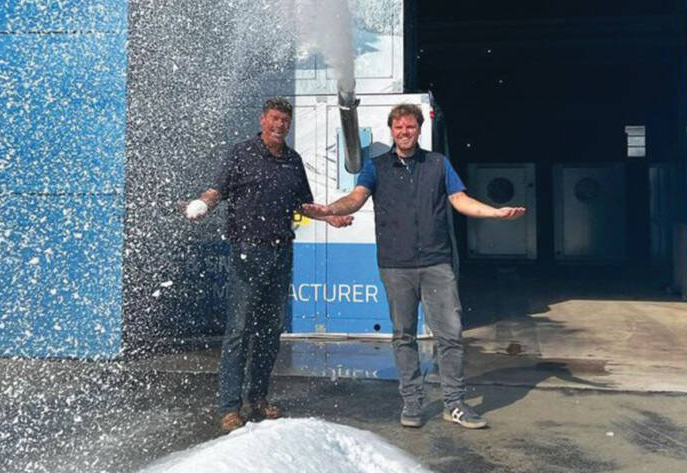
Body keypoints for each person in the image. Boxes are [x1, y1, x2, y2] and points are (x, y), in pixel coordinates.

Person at [303, 103, 525, 429]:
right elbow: (356, 198)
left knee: (450, 335)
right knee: (403, 336)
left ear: (419, 129)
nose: (404, 132)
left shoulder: (438, 164)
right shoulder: (376, 167)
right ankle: (412, 404)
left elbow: (460, 200)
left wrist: (494, 212)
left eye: (410, 127)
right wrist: (328, 210)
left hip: (437, 262)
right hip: (396, 265)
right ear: (391, 131)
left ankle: (454, 403)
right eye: (398, 127)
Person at [185, 97, 353, 433]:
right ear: (263, 120)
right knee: (239, 331)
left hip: (280, 253)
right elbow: (217, 190)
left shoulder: (293, 160)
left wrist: (331, 217)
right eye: (274, 119)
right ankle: (229, 408)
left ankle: (257, 398)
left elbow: (302, 204)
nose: (279, 125)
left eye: (285, 121)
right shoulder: (240, 154)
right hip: (247, 252)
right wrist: (203, 203)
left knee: (269, 331)